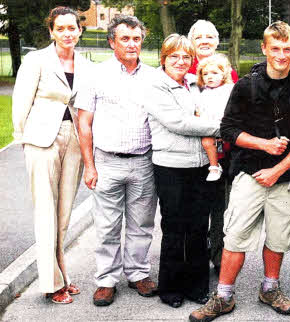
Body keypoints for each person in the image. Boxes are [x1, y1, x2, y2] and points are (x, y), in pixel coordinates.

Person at [188, 21, 290, 322]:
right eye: (275, 48)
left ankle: (270, 289)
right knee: (235, 236)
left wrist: (278, 169)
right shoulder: (246, 86)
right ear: (264, 48)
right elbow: (229, 129)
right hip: (248, 174)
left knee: (278, 237)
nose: (281, 54)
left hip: (285, 177)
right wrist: (264, 145)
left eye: (288, 49)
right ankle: (223, 296)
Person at [76, 15, 158, 307]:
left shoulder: (154, 77)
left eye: (136, 38)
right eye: (125, 38)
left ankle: (137, 273)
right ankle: (106, 280)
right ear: (112, 42)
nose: (132, 44)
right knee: (107, 226)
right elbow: (83, 122)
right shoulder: (95, 76)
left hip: (144, 163)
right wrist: (89, 165)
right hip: (107, 162)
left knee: (142, 224)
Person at [11, 6, 89, 304]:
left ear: (79, 31)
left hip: (74, 140)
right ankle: (51, 283)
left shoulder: (85, 63)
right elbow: (21, 102)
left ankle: (63, 276)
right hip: (42, 141)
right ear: (52, 31)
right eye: (62, 29)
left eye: (73, 28)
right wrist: (24, 138)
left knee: (64, 212)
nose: (68, 33)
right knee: (46, 211)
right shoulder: (36, 60)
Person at [144, 34, 221, 308]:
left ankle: (197, 286)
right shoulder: (155, 85)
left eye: (186, 57)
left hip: (200, 166)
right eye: (174, 56)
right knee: (175, 227)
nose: (180, 61)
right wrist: (221, 127)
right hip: (171, 167)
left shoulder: (192, 84)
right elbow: (178, 122)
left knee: (199, 227)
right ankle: (171, 288)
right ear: (163, 59)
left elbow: (208, 108)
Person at [187, 19, 238, 274]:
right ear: (191, 41)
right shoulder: (182, 67)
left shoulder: (227, 71)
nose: (204, 41)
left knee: (220, 207)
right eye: (199, 37)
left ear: (217, 41)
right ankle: (195, 258)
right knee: (195, 208)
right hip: (191, 153)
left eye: (210, 36)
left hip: (223, 154)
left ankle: (218, 256)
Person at [194, 54, 235, 181]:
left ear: (223, 74)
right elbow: (199, 110)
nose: (209, 76)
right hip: (209, 127)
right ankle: (214, 166)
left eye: (214, 73)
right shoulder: (204, 93)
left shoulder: (229, 89)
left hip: (225, 126)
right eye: (205, 74)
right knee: (207, 141)